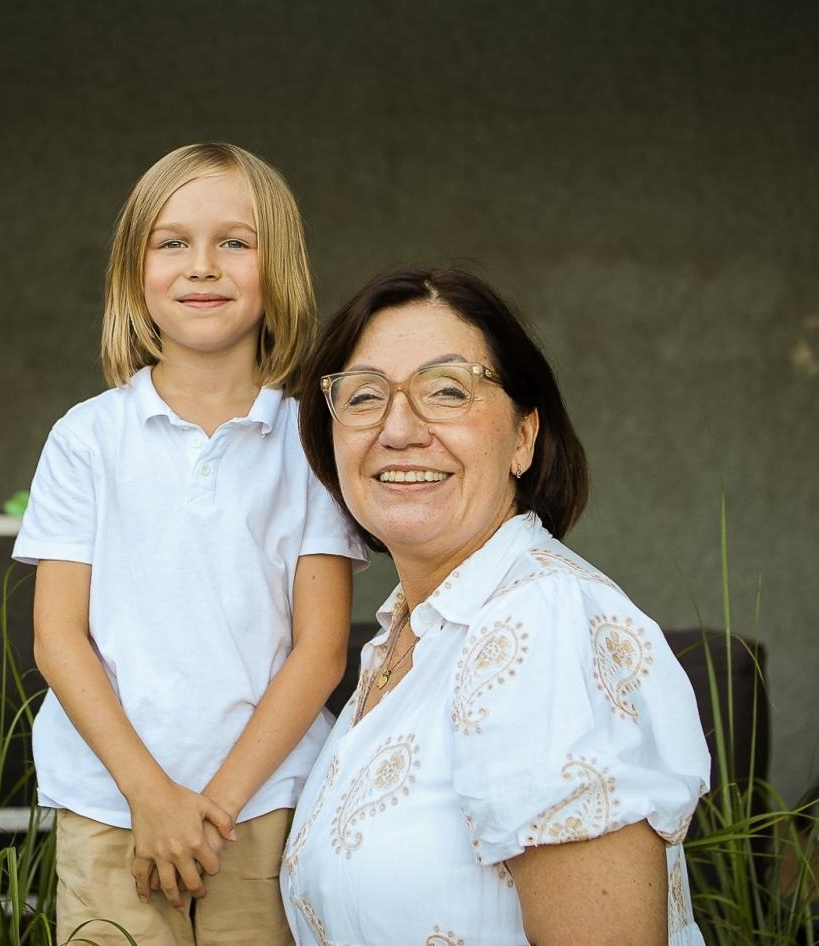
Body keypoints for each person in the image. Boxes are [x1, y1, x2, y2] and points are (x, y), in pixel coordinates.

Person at [283, 267, 711, 946]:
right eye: (363, 397)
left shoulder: (539, 623)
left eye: (447, 391)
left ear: (523, 437)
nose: (398, 429)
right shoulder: (407, 640)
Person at [14, 143, 365, 946]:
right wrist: (153, 798)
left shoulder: (312, 442)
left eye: (234, 242)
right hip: (111, 805)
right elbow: (57, 637)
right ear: (135, 271)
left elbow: (320, 651)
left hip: (265, 806)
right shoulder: (86, 439)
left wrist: (216, 805)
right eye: (173, 242)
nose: (201, 266)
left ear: (278, 269)